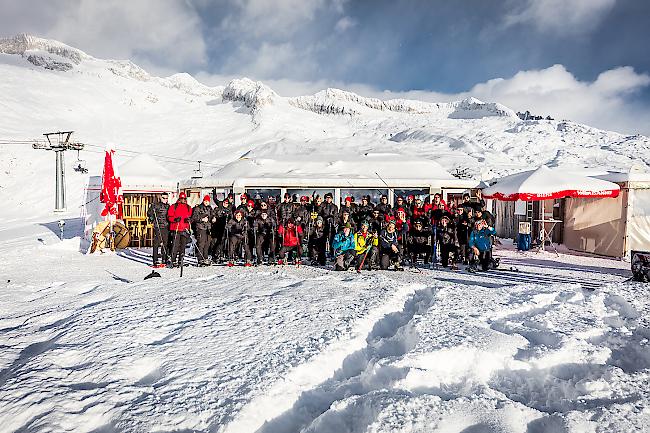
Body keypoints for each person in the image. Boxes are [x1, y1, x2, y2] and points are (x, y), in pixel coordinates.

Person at [167, 192, 192, 267]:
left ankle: (181, 260)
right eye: (182, 198)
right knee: (175, 246)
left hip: (184, 229)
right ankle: (173, 260)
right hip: (176, 228)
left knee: (183, 246)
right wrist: (175, 219)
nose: (183, 200)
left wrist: (188, 220)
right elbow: (169, 217)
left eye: (184, 198)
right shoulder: (174, 206)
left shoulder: (188, 207)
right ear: (179, 198)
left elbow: (190, 217)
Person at [147, 192, 170, 268]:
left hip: (166, 226)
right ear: (160, 198)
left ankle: (164, 259)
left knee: (165, 244)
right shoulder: (155, 205)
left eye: (166, 198)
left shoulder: (168, 206)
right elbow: (149, 213)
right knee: (156, 243)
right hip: (158, 226)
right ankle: (155, 260)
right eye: (164, 198)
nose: (165, 200)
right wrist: (151, 217)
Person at [191, 194, 213, 266]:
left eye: (208, 201)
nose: (206, 202)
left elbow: (211, 215)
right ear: (203, 201)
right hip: (200, 228)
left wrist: (213, 219)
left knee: (207, 243)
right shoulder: (198, 208)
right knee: (201, 243)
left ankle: (205, 257)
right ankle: (200, 259)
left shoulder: (210, 208)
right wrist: (202, 219)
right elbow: (194, 218)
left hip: (208, 228)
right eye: (205, 201)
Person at [211, 198, 232, 263]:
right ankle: (215, 255)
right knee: (216, 242)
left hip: (224, 228)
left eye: (226, 203)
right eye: (224, 202)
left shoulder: (229, 211)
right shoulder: (218, 209)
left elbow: (231, 219)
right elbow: (213, 215)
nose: (225, 204)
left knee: (223, 242)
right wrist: (213, 218)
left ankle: (221, 255)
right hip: (217, 227)